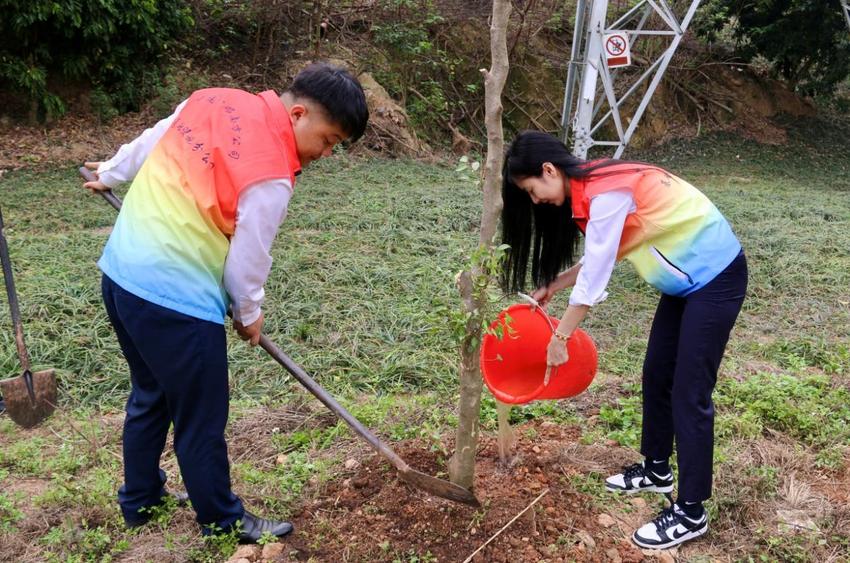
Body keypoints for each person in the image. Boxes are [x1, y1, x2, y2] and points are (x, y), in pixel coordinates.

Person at [81, 62, 368, 542]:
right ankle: (222, 520)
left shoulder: (212, 98)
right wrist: (249, 314)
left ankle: (140, 500)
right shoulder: (272, 173)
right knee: (202, 416)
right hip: (176, 299)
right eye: (329, 139)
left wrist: (110, 173)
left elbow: (155, 139)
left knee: (151, 394)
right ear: (298, 114)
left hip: (122, 276)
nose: (326, 152)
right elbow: (246, 262)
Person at [500, 131, 747, 550]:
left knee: (690, 391)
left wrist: (561, 335)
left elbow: (596, 274)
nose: (536, 200)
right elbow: (602, 250)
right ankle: (656, 470)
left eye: (532, 190)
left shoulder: (606, 191)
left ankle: (691, 511)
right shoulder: (594, 187)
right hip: (685, 286)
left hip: (716, 279)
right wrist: (553, 286)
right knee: (656, 374)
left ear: (548, 170)